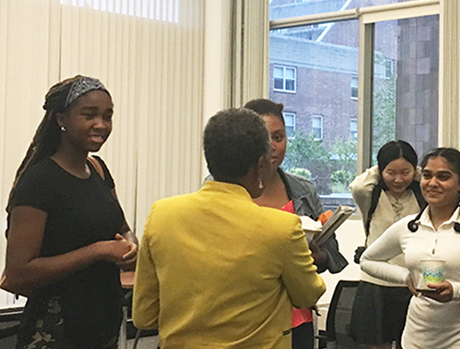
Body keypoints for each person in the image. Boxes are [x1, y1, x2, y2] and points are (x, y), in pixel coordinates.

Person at [132, 108, 326, 348]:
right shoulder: (282, 227)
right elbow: (308, 294)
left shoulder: (161, 215)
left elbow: (144, 315)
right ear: (260, 164)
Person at [2, 75, 138, 348]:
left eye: (107, 116)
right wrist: (98, 251)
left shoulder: (99, 170)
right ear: (61, 119)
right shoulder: (40, 181)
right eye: (89, 115)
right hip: (57, 329)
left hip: (103, 322)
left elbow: (121, 228)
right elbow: (18, 272)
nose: (101, 124)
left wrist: (130, 247)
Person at [360, 148, 460, 349]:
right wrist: (406, 278)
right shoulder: (408, 226)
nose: (432, 183)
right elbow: (367, 260)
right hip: (415, 338)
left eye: (443, 177)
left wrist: (456, 291)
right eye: (427, 176)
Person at [242, 98, 348, 348]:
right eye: (264, 140)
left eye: (279, 137)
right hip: (244, 317)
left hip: (296, 318)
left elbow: (330, 251)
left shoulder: (302, 189)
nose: (273, 148)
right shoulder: (222, 184)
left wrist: (318, 256)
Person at [348, 140, 424, 349]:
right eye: (391, 172)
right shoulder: (370, 195)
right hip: (376, 281)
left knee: (411, 343)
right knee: (376, 344)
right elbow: (357, 185)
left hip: (412, 281)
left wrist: (418, 173)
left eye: (406, 172)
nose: (398, 179)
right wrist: (379, 168)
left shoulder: (421, 195)